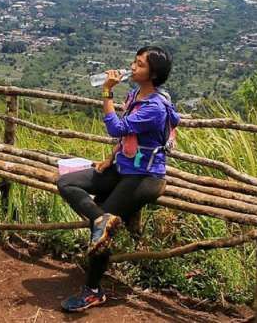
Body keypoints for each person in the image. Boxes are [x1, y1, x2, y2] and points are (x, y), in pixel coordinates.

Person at [55, 45, 178, 312]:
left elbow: (116, 128)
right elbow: (125, 137)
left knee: (103, 231)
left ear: (153, 74)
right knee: (67, 183)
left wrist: (107, 91)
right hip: (123, 169)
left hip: (146, 177)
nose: (133, 67)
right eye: (134, 62)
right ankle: (100, 219)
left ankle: (92, 291)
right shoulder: (136, 95)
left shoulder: (155, 107)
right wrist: (110, 159)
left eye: (140, 65)